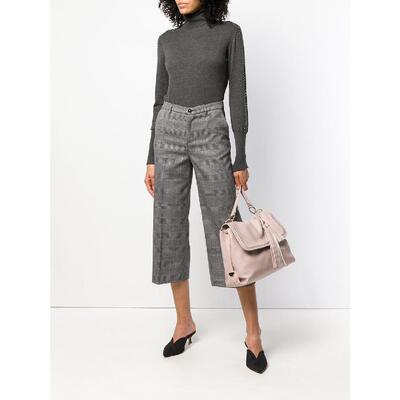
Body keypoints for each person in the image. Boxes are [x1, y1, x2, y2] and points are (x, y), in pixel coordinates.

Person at [144, 0, 267, 373]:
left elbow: (238, 96)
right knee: (169, 226)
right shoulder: (167, 40)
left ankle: (254, 333)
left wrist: (240, 155)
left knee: (228, 230)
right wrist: (152, 156)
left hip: (211, 127)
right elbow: (159, 101)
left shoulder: (229, 34)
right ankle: (183, 322)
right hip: (168, 130)